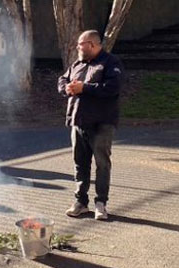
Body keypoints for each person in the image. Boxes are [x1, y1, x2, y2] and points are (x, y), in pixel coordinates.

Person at [57, 30, 123, 220]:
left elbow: (113, 88)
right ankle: (80, 202)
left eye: (81, 44)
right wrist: (66, 88)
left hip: (102, 123)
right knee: (80, 163)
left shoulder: (111, 63)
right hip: (78, 121)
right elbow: (62, 79)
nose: (78, 47)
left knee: (102, 164)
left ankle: (101, 203)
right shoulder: (78, 64)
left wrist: (84, 88)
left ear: (92, 45)